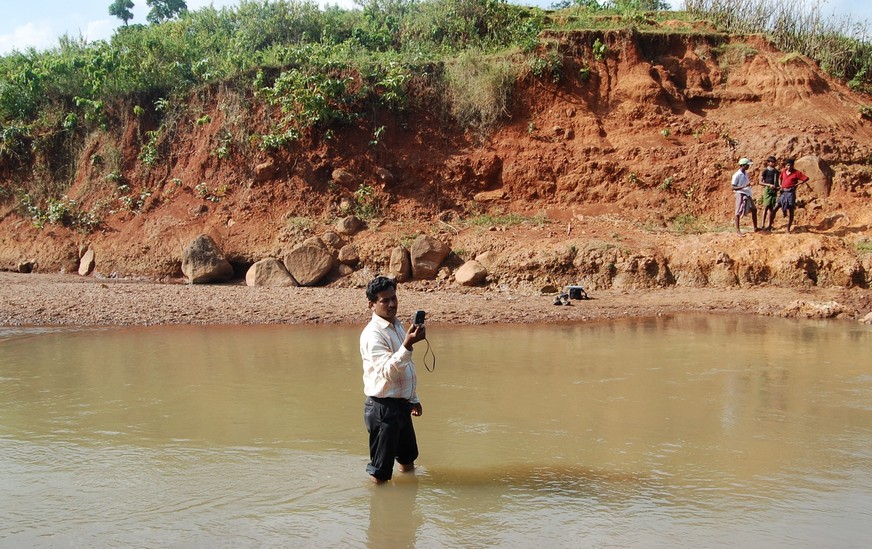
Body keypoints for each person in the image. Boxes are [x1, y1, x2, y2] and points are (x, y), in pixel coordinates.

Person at [360, 275, 427, 484]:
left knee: (408, 460)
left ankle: (406, 505)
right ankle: (379, 510)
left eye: (394, 298)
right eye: (384, 300)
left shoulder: (397, 325)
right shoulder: (372, 334)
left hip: (401, 405)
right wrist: (408, 345)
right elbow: (388, 371)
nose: (391, 304)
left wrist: (413, 398)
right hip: (382, 409)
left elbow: (406, 367)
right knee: (380, 473)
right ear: (371, 304)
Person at [777, 158, 810, 233]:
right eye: (788, 165)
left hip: (791, 193)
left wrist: (797, 184)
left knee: (791, 209)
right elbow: (780, 178)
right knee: (777, 206)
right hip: (783, 192)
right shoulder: (783, 172)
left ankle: (788, 228)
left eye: (791, 165)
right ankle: (769, 225)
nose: (789, 167)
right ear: (785, 166)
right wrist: (780, 185)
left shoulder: (796, 173)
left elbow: (806, 178)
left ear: (793, 166)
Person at [731, 157, 758, 235]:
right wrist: (743, 186)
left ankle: (755, 227)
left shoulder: (745, 173)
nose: (748, 166)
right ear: (743, 165)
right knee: (738, 212)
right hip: (740, 193)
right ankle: (737, 230)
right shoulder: (737, 175)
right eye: (747, 165)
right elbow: (733, 187)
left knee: (754, 209)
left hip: (747, 193)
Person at [759, 156, 780, 230]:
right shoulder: (765, 171)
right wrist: (768, 185)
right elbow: (760, 182)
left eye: (774, 162)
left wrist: (777, 187)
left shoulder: (776, 172)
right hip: (768, 190)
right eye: (772, 162)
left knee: (771, 208)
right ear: (768, 163)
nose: (773, 164)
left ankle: (769, 224)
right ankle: (762, 224)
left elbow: (777, 181)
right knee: (766, 207)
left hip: (774, 190)